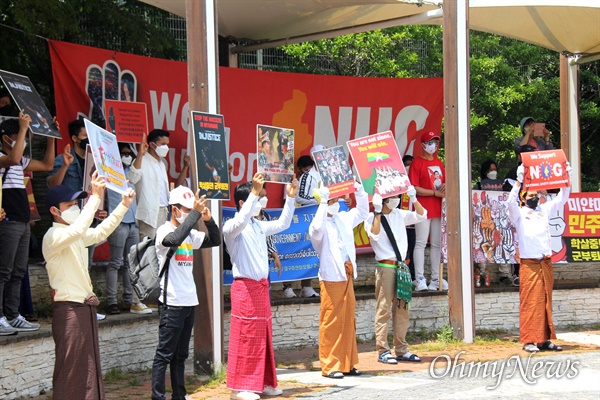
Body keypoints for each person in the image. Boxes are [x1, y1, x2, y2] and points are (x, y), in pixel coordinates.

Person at [42, 172, 135, 399]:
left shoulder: (73, 235)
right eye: (70, 205)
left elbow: (100, 232)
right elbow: (77, 230)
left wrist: (123, 206)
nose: (75, 208)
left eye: (76, 204)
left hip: (83, 309)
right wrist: (94, 198)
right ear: (55, 211)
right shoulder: (53, 236)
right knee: (71, 371)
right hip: (69, 310)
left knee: (88, 369)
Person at [224, 172, 297, 400]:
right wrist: (254, 193)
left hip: (261, 288)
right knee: (246, 337)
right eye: (258, 197)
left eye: (263, 197)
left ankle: (264, 382)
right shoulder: (232, 227)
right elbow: (239, 221)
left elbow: (284, 223)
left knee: (263, 336)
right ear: (243, 203)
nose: (263, 201)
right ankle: (241, 387)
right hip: (244, 289)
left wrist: (291, 198)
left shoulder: (258, 226)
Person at [151, 186, 221, 400]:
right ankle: (158, 396)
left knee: (181, 355)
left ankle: (179, 395)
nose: (191, 214)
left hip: (189, 301)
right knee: (165, 353)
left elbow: (215, 241)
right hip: (172, 302)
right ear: (174, 210)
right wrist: (195, 215)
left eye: (192, 210)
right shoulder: (164, 231)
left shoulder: (189, 233)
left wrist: (208, 220)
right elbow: (173, 240)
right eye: (187, 210)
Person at [0, 112, 56, 335]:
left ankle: (13, 315)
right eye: (21, 136)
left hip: (23, 221)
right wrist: (24, 127)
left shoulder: (20, 161)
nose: (25, 142)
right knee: (3, 270)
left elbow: (47, 164)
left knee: (18, 271)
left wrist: (50, 136)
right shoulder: (6, 158)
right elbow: (12, 159)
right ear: (6, 138)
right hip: (8, 221)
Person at [507, 163, 570, 353]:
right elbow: (510, 202)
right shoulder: (519, 214)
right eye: (530, 196)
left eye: (536, 195)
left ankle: (544, 340)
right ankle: (528, 340)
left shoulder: (544, 210)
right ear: (524, 199)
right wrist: (518, 182)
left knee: (545, 301)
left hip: (545, 262)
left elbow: (562, 198)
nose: (534, 198)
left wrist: (567, 178)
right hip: (529, 264)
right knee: (530, 302)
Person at [309, 181, 369, 379]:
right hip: (331, 277)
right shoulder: (318, 225)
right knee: (331, 321)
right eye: (331, 200)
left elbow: (361, 212)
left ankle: (347, 363)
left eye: (335, 199)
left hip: (347, 274)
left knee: (347, 320)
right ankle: (330, 365)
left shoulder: (342, 218)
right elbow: (316, 229)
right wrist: (324, 201)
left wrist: (359, 191)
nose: (336, 202)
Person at [364, 189, 426, 364]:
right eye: (392, 197)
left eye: (397, 196)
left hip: (401, 266)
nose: (396, 199)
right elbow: (374, 234)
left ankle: (401, 348)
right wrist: (377, 211)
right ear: (383, 199)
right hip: (386, 266)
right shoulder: (371, 218)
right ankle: (383, 349)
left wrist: (414, 198)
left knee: (402, 308)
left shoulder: (400, 214)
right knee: (383, 308)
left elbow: (422, 215)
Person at [105, 143, 151, 315]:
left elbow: (136, 174)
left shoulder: (130, 173)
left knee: (129, 264)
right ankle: (111, 302)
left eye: (128, 153)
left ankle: (128, 299)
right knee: (115, 263)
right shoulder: (110, 172)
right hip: (118, 222)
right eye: (123, 154)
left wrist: (139, 154)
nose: (126, 156)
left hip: (133, 222)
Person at [408, 131, 448, 291]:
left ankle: (436, 279)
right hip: (422, 207)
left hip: (438, 206)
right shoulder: (417, 163)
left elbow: (443, 182)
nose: (434, 145)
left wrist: (445, 187)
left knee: (437, 244)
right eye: (430, 142)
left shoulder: (439, 162)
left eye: (436, 142)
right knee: (421, 242)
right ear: (423, 144)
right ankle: (419, 279)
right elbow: (414, 188)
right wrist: (434, 193)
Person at [283, 153, 322, 298]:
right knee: (290, 253)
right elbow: (289, 201)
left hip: (309, 222)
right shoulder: (291, 182)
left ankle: (307, 286)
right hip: (293, 223)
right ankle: (287, 287)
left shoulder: (317, 179)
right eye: (304, 171)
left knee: (308, 253)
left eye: (309, 170)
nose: (306, 173)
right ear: (299, 170)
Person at [128, 129, 170, 240]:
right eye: (163, 144)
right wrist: (140, 155)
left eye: (167, 144)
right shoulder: (142, 160)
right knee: (147, 250)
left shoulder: (162, 164)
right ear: (152, 144)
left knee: (161, 248)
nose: (166, 148)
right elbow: (132, 178)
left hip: (163, 211)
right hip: (149, 213)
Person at [401, 155, 417, 281]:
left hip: (415, 225)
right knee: (402, 250)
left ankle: (413, 276)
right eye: (406, 165)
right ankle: (402, 276)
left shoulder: (417, 184)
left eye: (411, 165)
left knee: (413, 250)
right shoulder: (398, 185)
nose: (409, 168)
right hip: (401, 224)